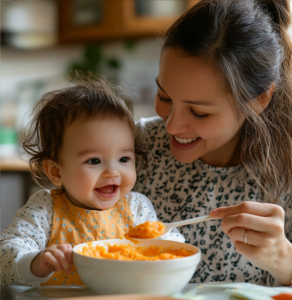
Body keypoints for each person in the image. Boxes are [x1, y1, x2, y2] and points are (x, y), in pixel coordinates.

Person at [134, 0, 292, 287]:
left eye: (199, 112)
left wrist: (285, 259)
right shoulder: (130, 150)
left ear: (259, 99)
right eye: (164, 97)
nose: (171, 125)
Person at [0, 73, 184, 287]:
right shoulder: (45, 210)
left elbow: (169, 244)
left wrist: (173, 251)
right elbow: (5, 256)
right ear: (56, 172)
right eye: (94, 161)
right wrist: (35, 263)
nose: (112, 172)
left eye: (123, 158)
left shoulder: (136, 207)